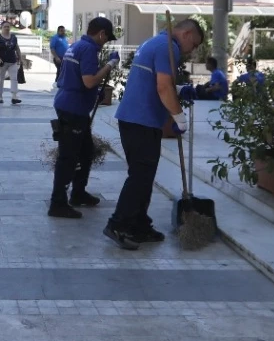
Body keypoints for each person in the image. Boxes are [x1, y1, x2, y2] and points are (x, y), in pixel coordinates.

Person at [105, 18, 204, 250]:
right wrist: (179, 117)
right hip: (141, 120)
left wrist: (180, 89)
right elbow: (162, 87)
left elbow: (155, 82)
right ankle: (118, 224)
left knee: (144, 176)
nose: (192, 50)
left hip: (134, 119)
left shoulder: (154, 43)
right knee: (140, 177)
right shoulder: (168, 48)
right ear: (187, 34)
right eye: (194, 44)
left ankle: (139, 224)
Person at [49, 18, 119, 218]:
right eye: (106, 39)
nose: (105, 43)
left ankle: (78, 193)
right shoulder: (88, 50)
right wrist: (110, 65)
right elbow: (89, 81)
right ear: (101, 34)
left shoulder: (76, 46)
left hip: (69, 104)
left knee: (86, 152)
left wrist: (93, 93)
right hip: (73, 109)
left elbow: (75, 78)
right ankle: (58, 203)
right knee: (68, 157)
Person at [0, 22, 22, 105]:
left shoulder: (13, 37)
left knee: (14, 79)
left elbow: (17, 48)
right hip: (2, 62)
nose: (7, 28)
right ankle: (0, 96)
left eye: (8, 27)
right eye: (5, 27)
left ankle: (14, 97)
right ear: (2, 28)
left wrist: (20, 58)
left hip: (12, 61)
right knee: (0, 79)